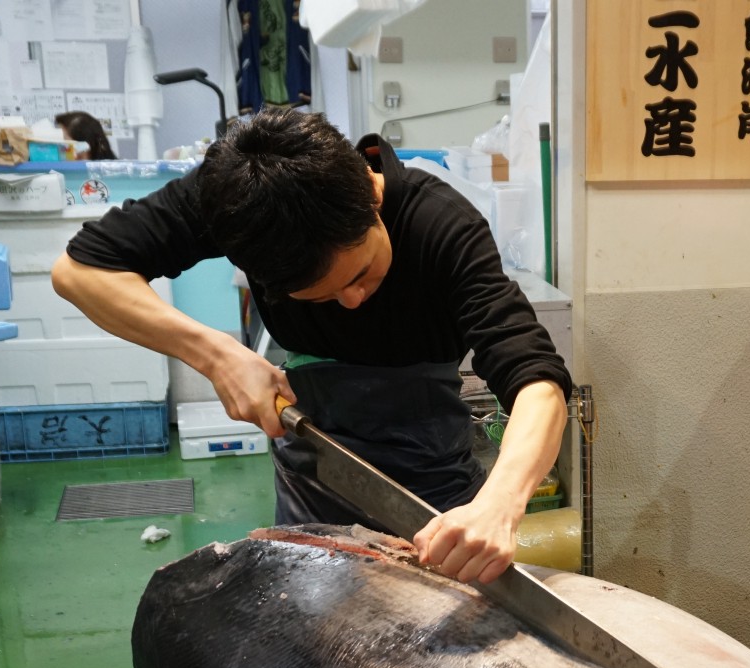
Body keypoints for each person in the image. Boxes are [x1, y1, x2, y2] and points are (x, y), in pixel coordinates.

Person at [52, 108, 571, 585]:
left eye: (363, 273)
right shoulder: (240, 199)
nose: (351, 301)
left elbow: (537, 380)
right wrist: (215, 354)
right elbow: (78, 271)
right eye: (322, 297)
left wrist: (501, 502)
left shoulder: (440, 225)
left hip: (432, 486)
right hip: (311, 467)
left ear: (371, 198)